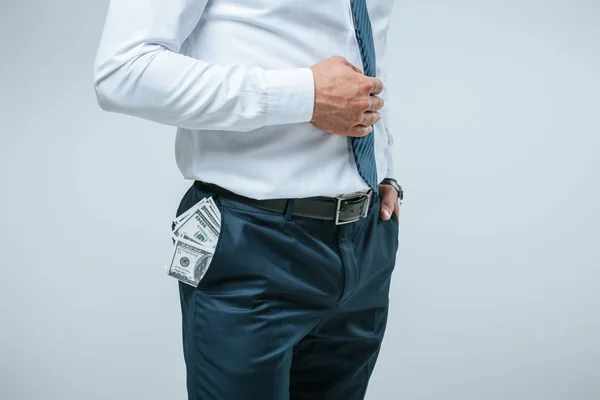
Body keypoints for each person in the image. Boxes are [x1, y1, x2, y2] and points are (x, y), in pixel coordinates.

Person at [93, 0, 402, 398]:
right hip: (250, 242)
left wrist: (384, 165)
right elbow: (123, 71)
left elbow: (364, 47)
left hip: (367, 241)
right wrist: (302, 95)